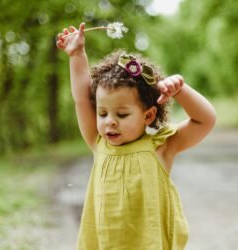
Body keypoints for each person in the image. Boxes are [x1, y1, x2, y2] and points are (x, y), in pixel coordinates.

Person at [56, 22, 216, 250]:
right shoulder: (98, 142)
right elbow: (82, 98)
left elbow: (205, 120)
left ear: (149, 115)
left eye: (121, 114)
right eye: (102, 113)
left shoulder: (161, 147)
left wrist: (180, 91)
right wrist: (77, 55)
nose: (109, 120)